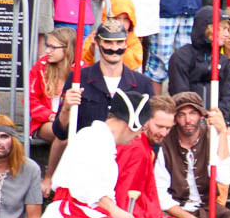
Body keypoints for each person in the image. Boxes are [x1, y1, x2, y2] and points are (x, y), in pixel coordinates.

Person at [38, 90, 162, 218]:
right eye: (141, 127)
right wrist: (115, 211)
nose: (140, 134)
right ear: (131, 122)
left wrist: (115, 217)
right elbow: (84, 185)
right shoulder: (90, 136)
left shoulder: (105, 142)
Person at [43, 18, 154, 195]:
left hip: (126, 166)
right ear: (97, 42)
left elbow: (148, 132)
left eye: (119, 42)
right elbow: (61, 132)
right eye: (108, 42)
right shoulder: (79, 78)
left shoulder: (142, 84)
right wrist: (66, 109)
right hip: (87, 164)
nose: (114, 48)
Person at [155, 92, 230, 218]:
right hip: (174, 211)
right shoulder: (164, 142)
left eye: (193, 113)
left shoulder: (213, 136)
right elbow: (160, 194)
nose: (188, 120)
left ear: (201, 115)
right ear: (174, 119)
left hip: (207, 207)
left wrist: (222, 134)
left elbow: (225, 177)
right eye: (181, 114)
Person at [114, 94, 174, 218]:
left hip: (139, 214)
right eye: (159, 126)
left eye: (168, 128)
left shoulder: (142, 145)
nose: (164, 133)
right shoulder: (137, 148)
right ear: (146, 120)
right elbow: (124, 192)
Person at [168, 6, 230, 125]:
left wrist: (220, 120)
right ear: (207, 29)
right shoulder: (181, 57)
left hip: (216, 122)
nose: (227, 34)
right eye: (222, 29)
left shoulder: (224, 62)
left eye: (228, 29)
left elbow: (228, 99)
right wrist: (199, 120)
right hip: (187, 124)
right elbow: (180, 95)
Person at [29, 27, 76, 141]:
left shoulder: (81, 70)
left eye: (53, 47)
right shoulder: (41, 66)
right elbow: (30, 100)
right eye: (47, 46)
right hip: (44, 122)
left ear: (67, 49)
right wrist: (50, 115)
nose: (47, 51)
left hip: (72, 122)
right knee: (64, 135)